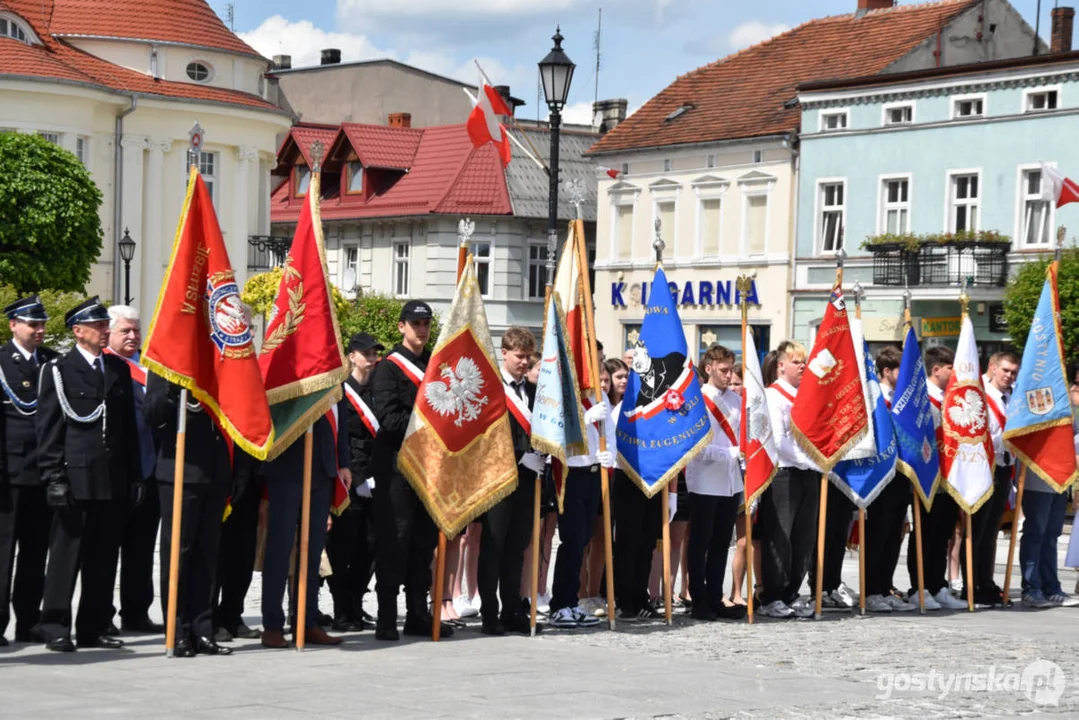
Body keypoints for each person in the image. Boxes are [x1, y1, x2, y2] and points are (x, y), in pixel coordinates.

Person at [34, 297, 141, 651]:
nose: (103, 329)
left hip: (112, 478)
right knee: (66, 556)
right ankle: (54, 626)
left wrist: (134, 476)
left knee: (103, 556)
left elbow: (127, 431)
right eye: (96, 326)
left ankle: (93, 626)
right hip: (75, 478)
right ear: (78, 332)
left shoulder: (117, 370)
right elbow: (49, 429)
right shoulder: (58, 370)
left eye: (104, 324)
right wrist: (54, 477)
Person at [371, 300, 453, 640]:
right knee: (396, 541)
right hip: (397, 468)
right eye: (415, 323)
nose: (421, 329)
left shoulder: (435, 363)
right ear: (402, 327)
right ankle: (387, 618)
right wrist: (429, 423)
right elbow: (388, 418)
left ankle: (418, 614)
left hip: (429, 468)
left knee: (423, 545)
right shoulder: (388, 368)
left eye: (426, 324)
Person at [144, 374, 232, 656]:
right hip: (180, 470)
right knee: (179, 554)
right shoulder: (168, 365)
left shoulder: (219, 362)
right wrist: (173, 389)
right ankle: (178, 630)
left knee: (208, 555)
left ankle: (203, 630)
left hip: (216, 471)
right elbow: (153, 414)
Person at [260, 396, 350, 649]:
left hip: (322, 467)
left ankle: (307, 621)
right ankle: (272, 625)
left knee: (312, 551)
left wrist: (343, 462)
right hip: (286, 463)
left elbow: (340, 418)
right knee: (281, 548)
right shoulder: (287, 359)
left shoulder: (333, 366)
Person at [0, 296, 59, 645]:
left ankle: (28, 620)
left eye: (42, 324)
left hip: (43, 470)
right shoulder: (1, 361)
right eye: (32, 324)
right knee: (3, 552)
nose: (39, 330)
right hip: (9, 472)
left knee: (36, 551)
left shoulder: (51, 362)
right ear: (13, 325)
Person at [477, 327, 543, 635]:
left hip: (528, 479)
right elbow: (486, 436)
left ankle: (512, 608)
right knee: (494, 547)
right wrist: (519, 456)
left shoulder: (532, 390)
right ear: (504, 353)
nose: (524, 362)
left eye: (528, 357)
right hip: (497, 479)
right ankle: (489, 612)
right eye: (519, 356)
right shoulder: (491, 388)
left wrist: (542, 453)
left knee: (517, 547)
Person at [103, 306, 163, 634]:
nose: (132, 336)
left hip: (151, 469)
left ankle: (136, 612)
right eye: (125, 331)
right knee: (108, 547)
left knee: (141, 548)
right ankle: (102, 612)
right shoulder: (106, 366)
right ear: (109, 333)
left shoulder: (149, 365)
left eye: (136, 330)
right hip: (119, 472)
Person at [758, 341, 818, 618]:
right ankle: (772, 595)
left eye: (804, 361)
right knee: (780, 536)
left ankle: (792, 591)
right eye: (796, 361)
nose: (803, 366)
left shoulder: (802, 395)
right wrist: (809, 461)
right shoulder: (774, 396)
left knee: (803, 536)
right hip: (785, 472)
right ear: (781, 365)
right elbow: (779, 441)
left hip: (808, 472)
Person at [327, 332, 383, 631]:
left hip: (374, 482)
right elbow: (341, 441)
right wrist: (358, 478)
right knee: (344, 548)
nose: (371, 359)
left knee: (370, 547)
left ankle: (357, 604)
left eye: (375, 354)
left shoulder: (376, 392)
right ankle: (341, 610)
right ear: (352, 357)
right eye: (366, 354)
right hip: (349, 482)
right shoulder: (340, 393)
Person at [686, 345, 745, 621]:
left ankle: (715, 596)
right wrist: (731, 453)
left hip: (731, 481)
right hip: (705, 482)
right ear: (708, 369)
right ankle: (698, 599)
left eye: (731, 369)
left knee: (722, 542)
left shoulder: (735, 400)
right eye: (723, 369)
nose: (728, 374)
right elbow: (696, 447)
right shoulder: (697, 399)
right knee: (701, 543)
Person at [548, 390, 616, 628]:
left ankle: (572, 601)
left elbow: (609, 431)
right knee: (573, 539)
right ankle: (560, 604)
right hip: (571, 472)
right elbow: (553, 428)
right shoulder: (565, 391)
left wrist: (611, 455)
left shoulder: (601, 395)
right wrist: (585, 418)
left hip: (594, 472)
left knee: (584, 539)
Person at [907, 346, 966, 610]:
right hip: (927, 476)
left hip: (948, 477)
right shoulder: (923, 400)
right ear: (936, 369)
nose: (954, 373)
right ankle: (919, 586)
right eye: (950, 367)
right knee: (925, 534)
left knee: (943, 534)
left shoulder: (948, 399)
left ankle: (937, 584)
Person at [863, 346, 915, 613]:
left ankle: (885, 586)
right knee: (878, 534)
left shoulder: (903, 399)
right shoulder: (875, 399)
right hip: (880, 476)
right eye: (900, 371)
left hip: (901, 475)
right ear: (886, 372)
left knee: (895, 534)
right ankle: (871, 589)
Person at [969, 351, 1018, 607]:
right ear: (993, 367)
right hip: (983, 468)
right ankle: (972, 584)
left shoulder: (1011, 397)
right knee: (977, 530)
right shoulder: (981, 394)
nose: (1009, 376)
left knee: (991, 531)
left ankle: (985, 581)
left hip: (1004, 469)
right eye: (1005, 371)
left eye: (1013, 372)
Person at [211, 447, 262, 641]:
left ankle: (232, 614)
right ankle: (211, 617)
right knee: (217, 552)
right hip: (223, 473)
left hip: (251, 476)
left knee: (243, 554)